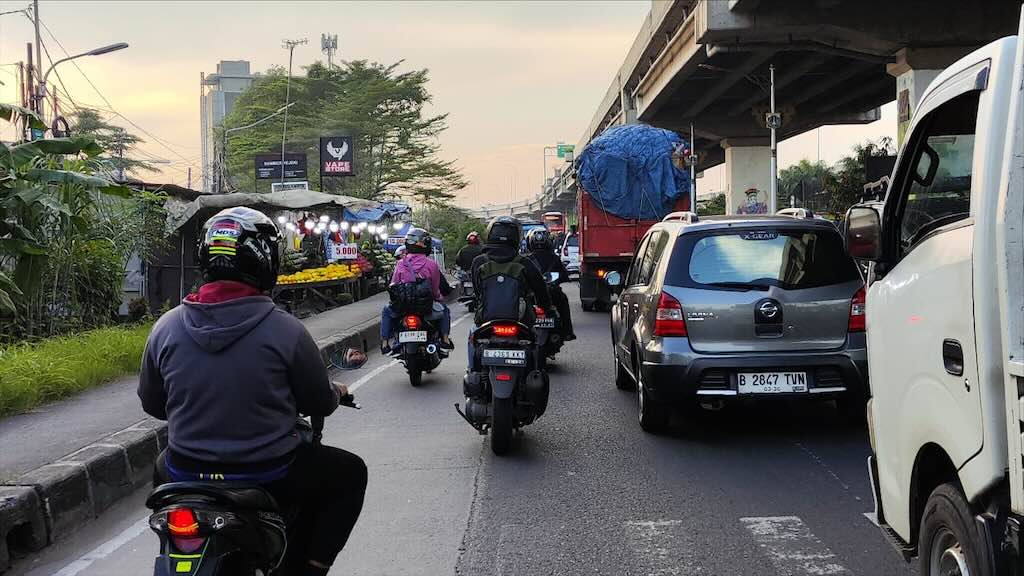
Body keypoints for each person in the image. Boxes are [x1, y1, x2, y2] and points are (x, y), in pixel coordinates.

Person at [138, 207, 366, 576]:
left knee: (162, 464)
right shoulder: (286, 331)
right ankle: (310, 567)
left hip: (185, 469)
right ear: (266, 261)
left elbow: (154, 404)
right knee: (350, 473)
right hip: (268, 471)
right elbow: (317, 401)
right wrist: (334, 394)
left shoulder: (165, 328)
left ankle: (178, 546)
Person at [468, 216, 555, 363]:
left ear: (490, 234)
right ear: (517, 237)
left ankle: (473, 370)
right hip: (522, 319)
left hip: (486, 319)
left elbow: (478, 291)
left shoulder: (479, 262)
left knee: (473, 336)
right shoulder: (525, 262)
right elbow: (540, 290)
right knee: (534, 343)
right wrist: (548, 308)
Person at [380, 227, 454, 354]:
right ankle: (445, 340)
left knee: (386, 311)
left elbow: (393, 285)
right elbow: (436, 290)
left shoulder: (400, 264)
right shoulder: (431, 264)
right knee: (445, 310)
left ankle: (385, 343)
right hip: (426, 307)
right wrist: (438, 298)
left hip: (403, 307)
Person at [525, 228, 576, 341]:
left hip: (531, 294)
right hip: (552, 293)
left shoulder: (526, 260)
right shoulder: (554, 258)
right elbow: (564, 275)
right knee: (563, 300)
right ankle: (568, 331)